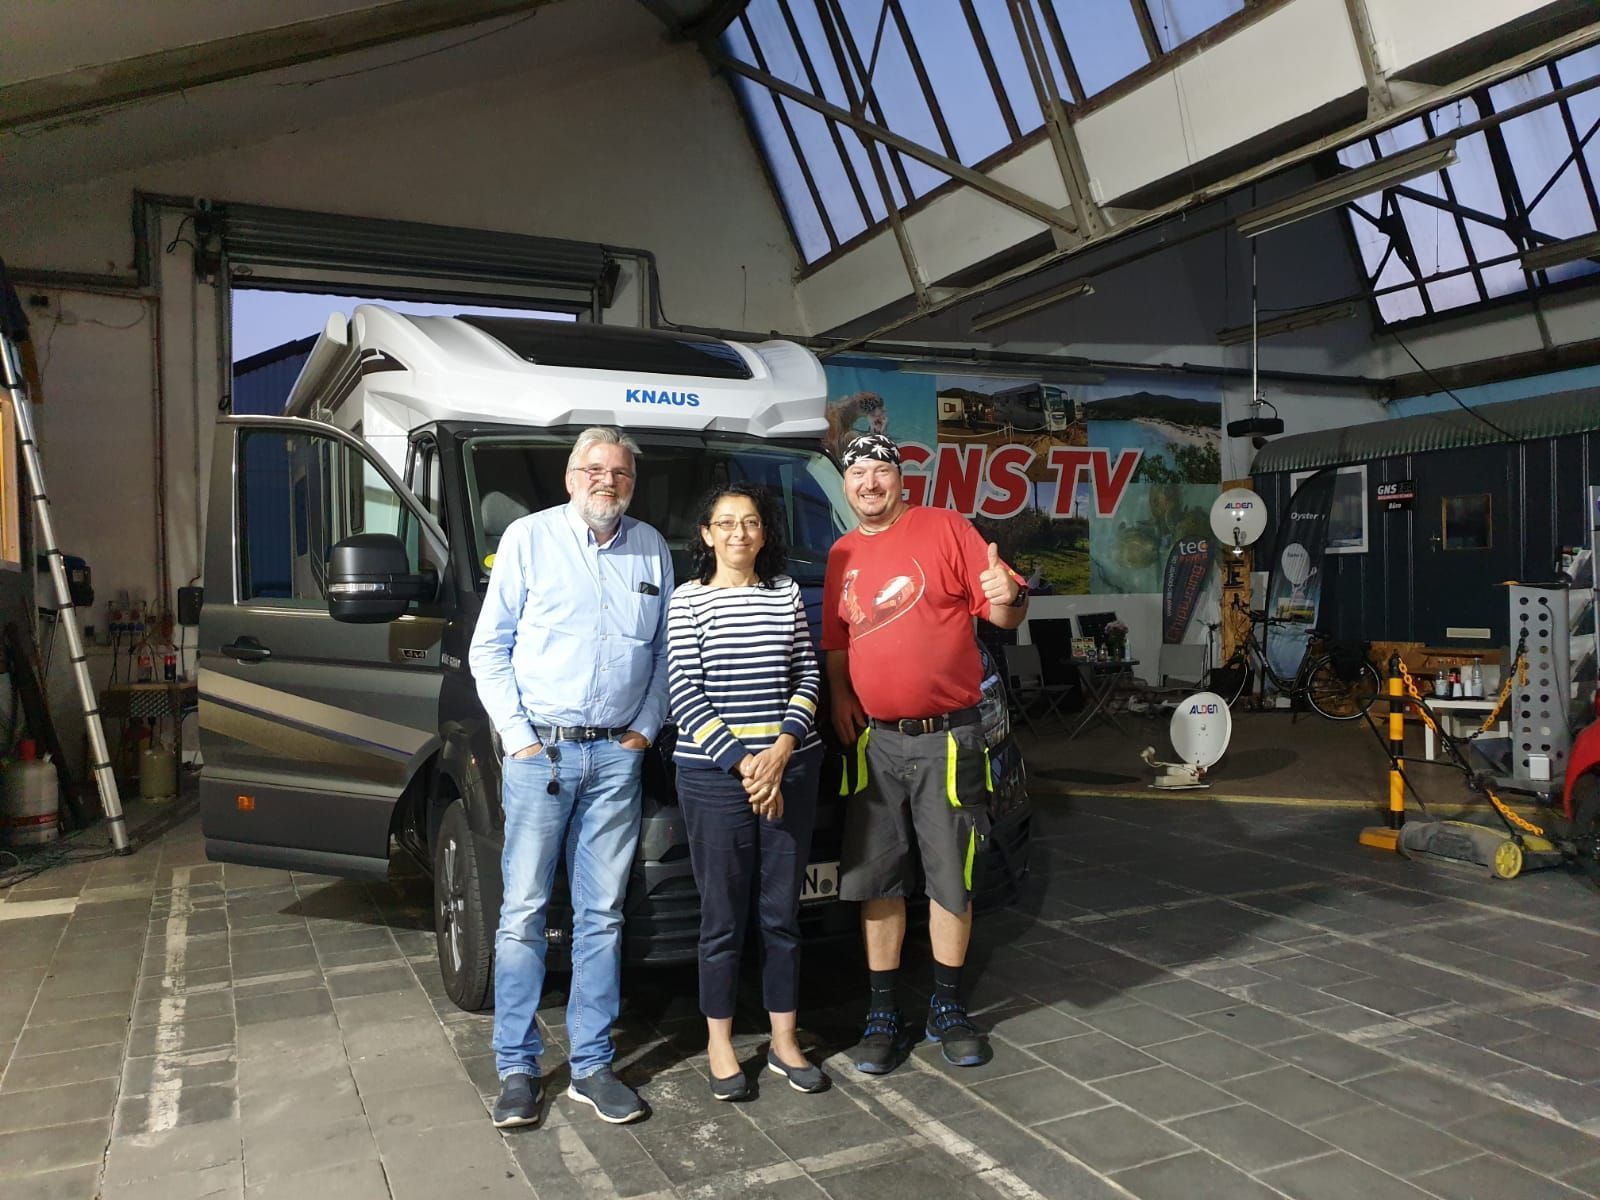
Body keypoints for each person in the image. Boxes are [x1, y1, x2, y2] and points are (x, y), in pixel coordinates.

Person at [468, 426, 673, 1129]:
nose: (605, 481)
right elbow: (487, 651)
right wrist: (520, 742)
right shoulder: (528, 539)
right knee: (523, 913)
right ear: (569, 477)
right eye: (593, 469)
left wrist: (644, 730)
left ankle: (590, 1064)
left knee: (603, 916)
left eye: (618, 471)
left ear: (631, 484)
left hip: (617, 757)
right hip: (541, 757)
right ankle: (518, 1069)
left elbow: (664, 653)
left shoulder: (652, 548)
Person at [821, 432, 1027, 1074]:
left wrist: (1008, 590)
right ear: (847, 484)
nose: (869, 484)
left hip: (949, 737)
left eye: (880, 471)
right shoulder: (841, 552)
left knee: (951, 876)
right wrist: (839, 697)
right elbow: (836, 638)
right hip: (877, 742)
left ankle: (947, 1006)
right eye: (858, 474)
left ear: (900, 479)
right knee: (877, 879)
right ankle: (882, 1012)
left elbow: (1004, 615)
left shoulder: (946, 528)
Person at [666, 484, 828, 1101]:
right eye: (726, 523)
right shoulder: (687, 603)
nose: (739, 533)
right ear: (706, 534)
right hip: (715, 779)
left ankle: (785, 1041)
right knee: (722, 918)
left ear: (765, 533)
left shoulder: (785, 594)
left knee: (781, 915)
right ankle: (721, 1042)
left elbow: (807, 673)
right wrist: (745, 767)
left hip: (790, 770)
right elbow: (684, 691)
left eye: (751, 522)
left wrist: (783, 749)